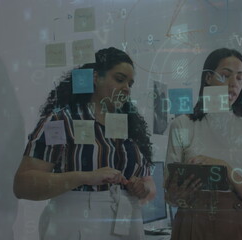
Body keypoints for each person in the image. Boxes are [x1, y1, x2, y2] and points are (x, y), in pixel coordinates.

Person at [13, 47, 156, 240]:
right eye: (120, 79)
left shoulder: (130, 126)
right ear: (96, 78)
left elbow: (149, 185)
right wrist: (85, 177)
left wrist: (142, 188)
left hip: (127, 221)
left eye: (130, 83)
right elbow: (23, 185)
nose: (127, 88)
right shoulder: (62, 121)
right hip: (76, 221)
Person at [164, 48, 242, 240]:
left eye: (240, 78)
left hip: (234, 225)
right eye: (225, 75)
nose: (233, 84)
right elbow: (170, 198)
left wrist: (225, 169)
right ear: (208, 78)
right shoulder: (183, 124)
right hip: (191, 224)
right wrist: (180, 192)